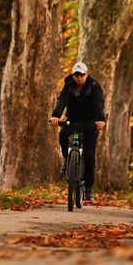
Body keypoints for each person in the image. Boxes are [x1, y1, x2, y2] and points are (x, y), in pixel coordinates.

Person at [49, 61, 106, 201]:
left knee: (89, 155)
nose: (79, 78)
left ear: (87, 74)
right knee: (63, 134)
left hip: (90, 122)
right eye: (76, 75)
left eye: (81, 75)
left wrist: (99, 119)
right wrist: (56, 116)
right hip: (72, 120)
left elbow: (98, 103)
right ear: (73, 75)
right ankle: (67, 158)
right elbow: (62, 100)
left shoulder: (94, 86)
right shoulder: (68, 85)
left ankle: (88, 188)